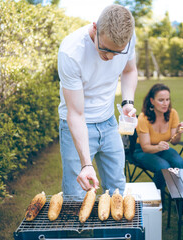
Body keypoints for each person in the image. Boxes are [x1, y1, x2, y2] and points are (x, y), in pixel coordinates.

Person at [57, 4, 137, 200]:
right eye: (106, 49)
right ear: (95, 28)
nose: (110, 57)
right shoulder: (71, 52)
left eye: (117, 52)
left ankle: (113, 232)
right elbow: (75, 114)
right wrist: (86, 164)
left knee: (117, 190)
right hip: (76, 125)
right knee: (76, 196)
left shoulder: (128, 39)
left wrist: (127, 102)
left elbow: (129, 70)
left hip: (109, 123)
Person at [133, 83, 183, 216]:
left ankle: (182, 199)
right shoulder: (143, 118)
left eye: (167, 99)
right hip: (143, 151)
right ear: (152, 101)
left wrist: (179, 132)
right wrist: (157, 147)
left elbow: (174, 141)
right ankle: (157, 199)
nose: (165, 103)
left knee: (178, 163)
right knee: (163, 166)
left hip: (162, 148)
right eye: (161, 100)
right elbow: (145, 147)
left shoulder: (172, 114)